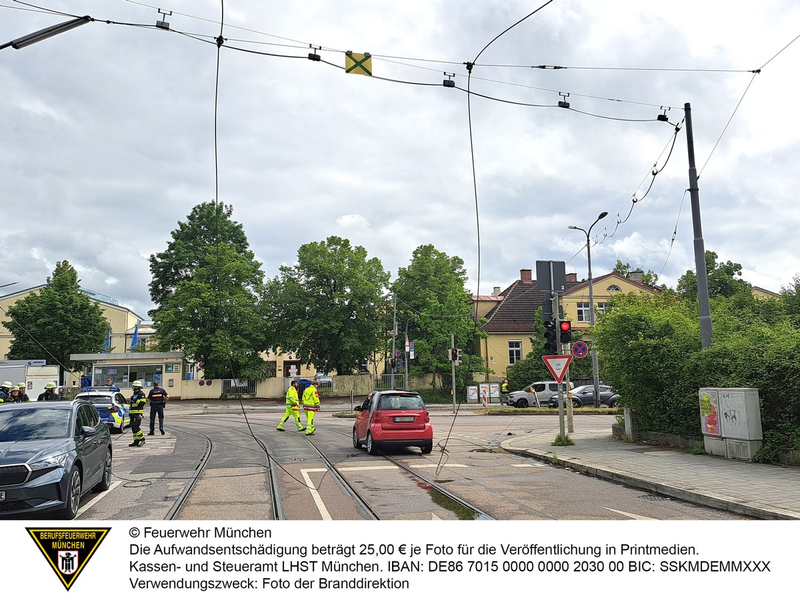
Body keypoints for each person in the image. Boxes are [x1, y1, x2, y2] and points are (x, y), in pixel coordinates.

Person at [128, 380, 147, 447]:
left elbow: (142, 403)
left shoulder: (141, 394)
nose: (133, 388)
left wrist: (135, 401)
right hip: (132, 413)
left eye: (134, 386)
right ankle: (136, 440)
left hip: (137, 413)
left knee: (136, 427)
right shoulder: (134, 395)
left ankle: (142, 439)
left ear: (137, 387)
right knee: (133, 427)